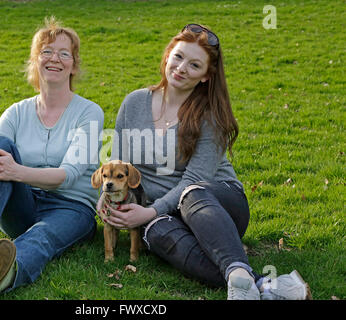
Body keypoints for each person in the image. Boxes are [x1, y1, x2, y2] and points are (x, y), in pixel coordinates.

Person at [102, 24, 311, 300]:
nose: (181, 68)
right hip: (165, 213)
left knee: (190, 193)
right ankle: (259, 284)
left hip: (216, 207)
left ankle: (241, 278)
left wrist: (149, 211)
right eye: (178, 57)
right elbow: (116, 163)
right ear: (167, 56)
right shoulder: (134, 103)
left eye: (194, 64)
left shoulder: (210, 116)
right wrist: (106, 200)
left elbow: (192, 180)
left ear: (205, 76)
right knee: (154, 232)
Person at [0, 17, 104, 300]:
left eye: (64, 53)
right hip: (23, 205)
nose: (55, 58)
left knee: (42, 237)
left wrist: (14, 171)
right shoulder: (16, 111)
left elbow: (68, 175)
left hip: (70, 208)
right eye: (46, 51)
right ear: (35, 61)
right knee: (0, 145)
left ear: (74, 65)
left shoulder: (89, 113)